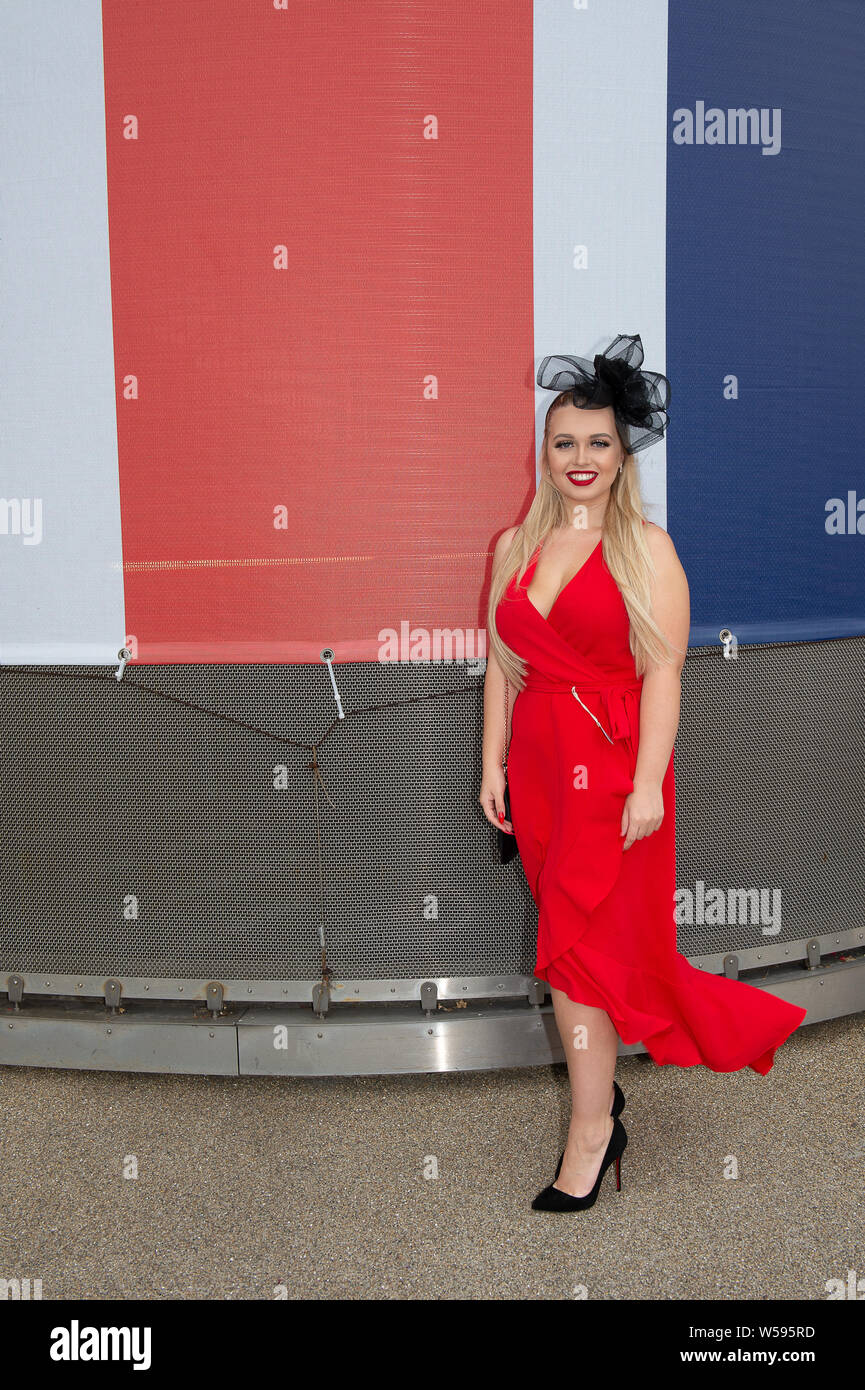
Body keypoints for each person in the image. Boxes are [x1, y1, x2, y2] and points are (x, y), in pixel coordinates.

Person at [480, 334, 807, 1214]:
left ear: (622, 458)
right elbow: (502, 666)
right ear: (542, 454)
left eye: (598, 444)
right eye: (564, 442)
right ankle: (601, 1104)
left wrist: (649, 784)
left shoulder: (647, 551)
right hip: (540, 777)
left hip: (613, 775)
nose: (580, 459)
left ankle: (591, 1132)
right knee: (571, 951)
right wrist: (490, 764)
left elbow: (664, 671)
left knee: (575, 960)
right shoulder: (514, 545)